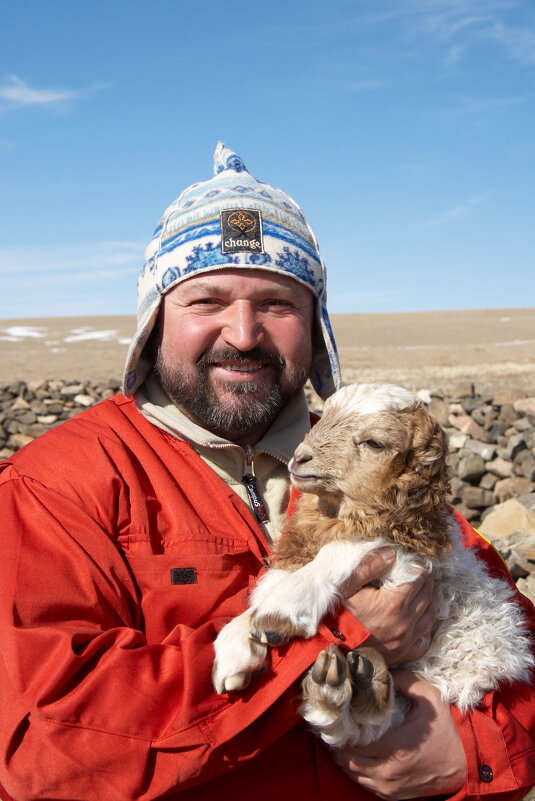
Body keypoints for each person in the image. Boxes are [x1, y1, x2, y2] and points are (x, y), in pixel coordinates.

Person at [0, 143, 533, 801]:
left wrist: (473, 751)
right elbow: (45, 746)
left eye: (278, 302)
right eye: (207, 299)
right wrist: (333, 634)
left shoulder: (379, 460)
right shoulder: (60, 484)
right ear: (152, 320)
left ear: (315, 324)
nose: (244, 332)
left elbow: (514, 647)